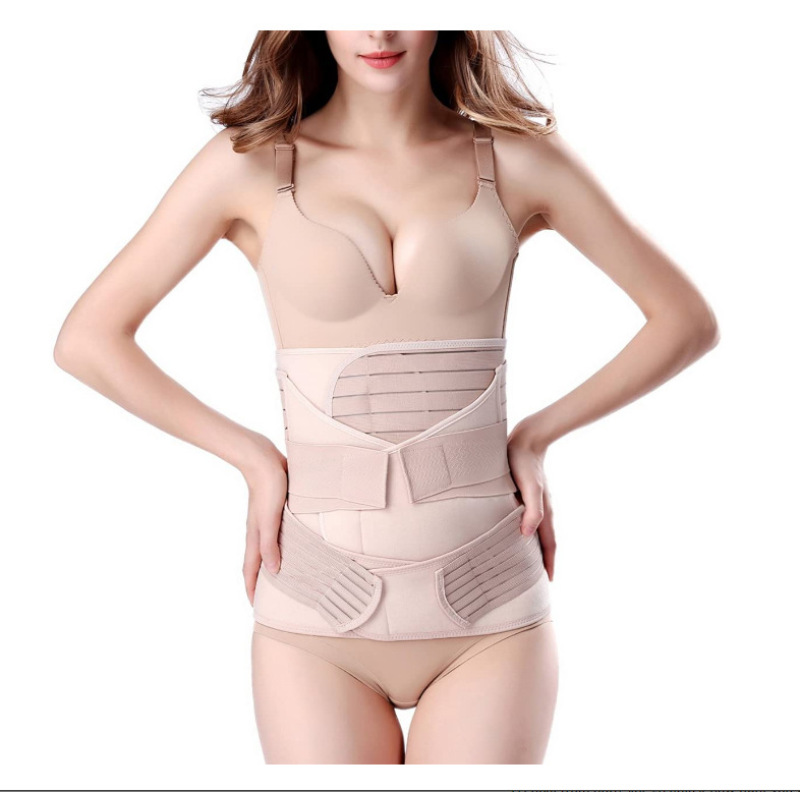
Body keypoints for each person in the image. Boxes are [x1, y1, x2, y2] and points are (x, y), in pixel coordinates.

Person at [53, 30, 720, 765]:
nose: (379, 31)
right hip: (317, 608)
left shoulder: (516, 158)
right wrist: (252, 458)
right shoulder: (249, 165)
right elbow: (89, 339)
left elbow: (685, 320)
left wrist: (536, 436)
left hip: (489, 606)